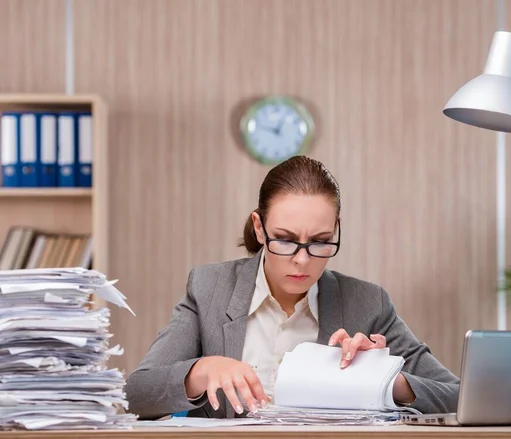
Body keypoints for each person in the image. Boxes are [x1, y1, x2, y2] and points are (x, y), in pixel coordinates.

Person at [125, 155, 459, 420]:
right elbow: (136, 394)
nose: (302, 260)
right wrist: (202, 369)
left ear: (335, 230)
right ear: (259, 228)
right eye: (284, 240)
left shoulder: (368, 303)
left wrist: (383, 381)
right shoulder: (208, 288)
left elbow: (459, 395)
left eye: (320, 241)